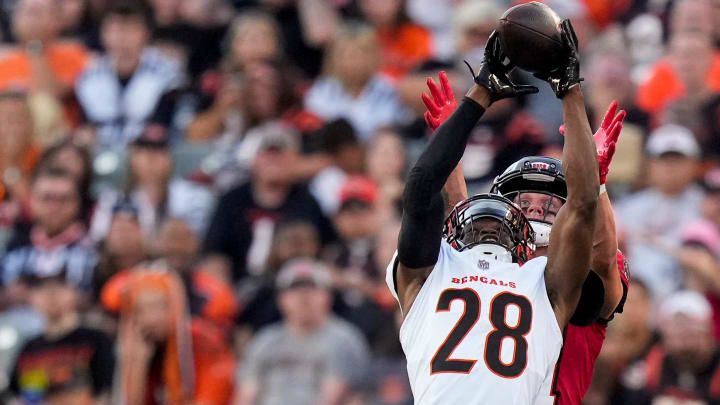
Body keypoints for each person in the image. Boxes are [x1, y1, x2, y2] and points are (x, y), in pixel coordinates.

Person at [388, 21, 599, 403]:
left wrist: (570, 92)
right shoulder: (430, 270)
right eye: (483, 222)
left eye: (499, 221)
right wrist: (480, 94)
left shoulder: (544, 278)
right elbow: (422, 187)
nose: (490, 229)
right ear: (452, 231)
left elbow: (583, 204)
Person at [423, 67, 628, 405]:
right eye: (523, 200)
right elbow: (462, 222)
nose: (534, 210)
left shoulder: (581, 265)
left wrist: (596, 180)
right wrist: (449, 148)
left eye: (548, 203)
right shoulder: (487, 257)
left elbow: (603, 264)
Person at [202, 128, 334, 282]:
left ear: (294, 160)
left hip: (294, 286)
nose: (274, 162)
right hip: (240, 286)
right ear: (255, 160)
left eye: (281, 156)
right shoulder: (232, 200)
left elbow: (327, 249)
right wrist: (223, 293)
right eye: (268, 155)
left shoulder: (308, 201)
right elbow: (214, 253)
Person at [235, 258, 370, 405]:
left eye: (312, 288)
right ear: (281, 299)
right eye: (295, 289)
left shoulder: (344, 340)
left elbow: (334, 397)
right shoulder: (265, 340)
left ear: (328, 296)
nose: (303, 297)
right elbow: (246, 394)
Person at [105, 270, 235, 405]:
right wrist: (138, 365)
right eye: (141, 310)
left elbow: (212, 398)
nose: (151, 318)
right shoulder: (135, 346)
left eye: (159, 306)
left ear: (176, 306)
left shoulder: (202, 341)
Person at [75, 0, 184, 146]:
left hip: (152, 151)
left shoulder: (168, 71)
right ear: (103, 34)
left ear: (147, 33)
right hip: (101, 153)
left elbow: (162, 125)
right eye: (115, 28)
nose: (122, 36)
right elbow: (87, 123)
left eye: (130, 28)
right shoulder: (89, 74)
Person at [616, 124, 703, 299]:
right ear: (649, 164)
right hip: (634, 293)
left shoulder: (706, 206)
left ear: (694, 164)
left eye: (678, 159)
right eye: (663, 159)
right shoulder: (628, 207)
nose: (670, 167)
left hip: (686, 295)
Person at [89, 125, 215, 245]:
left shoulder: (194, 196)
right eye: (143, 149)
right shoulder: (112, 201)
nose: (151, 156)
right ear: (132, 158)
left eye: (159, 150)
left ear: (170, 157)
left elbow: (199, 240)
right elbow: (100, 241)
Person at [9, 269, 114, 405]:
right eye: (41, 288)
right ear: (31, 298)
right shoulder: (28, 348)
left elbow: (107, 392)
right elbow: (18, 396)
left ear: (74, 292)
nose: (51, 295)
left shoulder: (96, 339)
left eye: (59, 285)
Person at [304, 24, 411, 140]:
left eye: (358, 53)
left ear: (373, 56)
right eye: (344, 54)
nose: (351, 61)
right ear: (333, 58)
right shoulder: (321, 92)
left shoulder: (390, 89)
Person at [614, 291, 720, 405]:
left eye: (692, 322)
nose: (684, 329)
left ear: (708, 329)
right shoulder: (648, 365)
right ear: (664, 333)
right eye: (676, 324)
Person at [1, 167, 96, 291]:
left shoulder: (96, 251)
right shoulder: (10, 247)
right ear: (32, 202)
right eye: (46, 198)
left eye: (63, 199)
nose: (54, 207)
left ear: (78, 203)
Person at [0, 0, 90, 96]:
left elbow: (48, 96)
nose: (29, 19)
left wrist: (35, 46)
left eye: (36, 12)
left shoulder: (74, 54)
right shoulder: (3, 59)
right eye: (23, 11)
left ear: (57, 21)